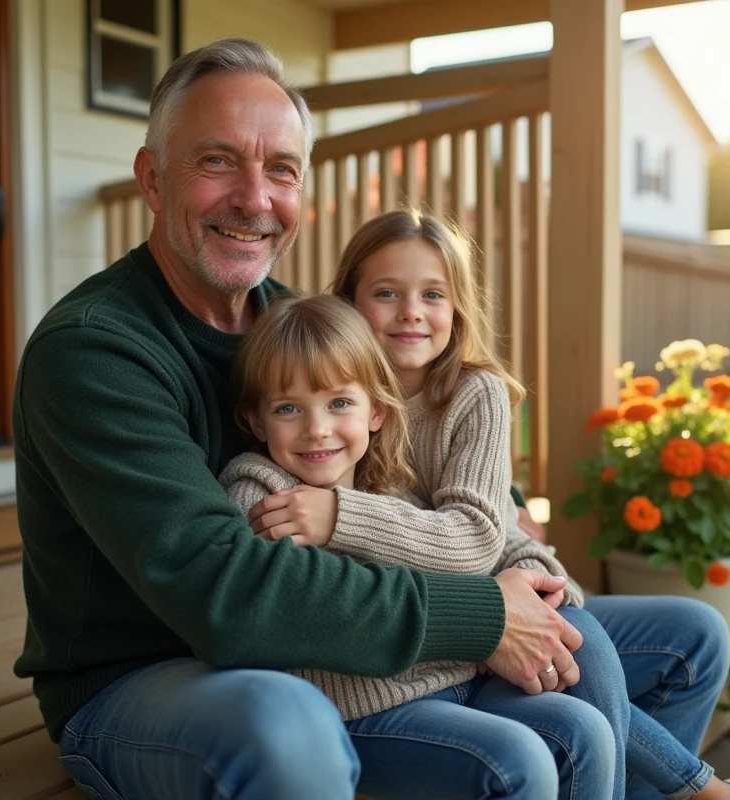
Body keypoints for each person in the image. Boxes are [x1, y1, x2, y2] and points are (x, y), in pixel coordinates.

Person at [13, 38, 582, 800]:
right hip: (148, 675)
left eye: (281, 169)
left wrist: (513, 546)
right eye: (217, 161)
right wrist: (481, 615)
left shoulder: (292, 321)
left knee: (677, 648)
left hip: (322, 643)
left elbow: (402, 467)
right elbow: (226, 594)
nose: (255, 199)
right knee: (290, 728)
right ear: (152, 179)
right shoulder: (95, 352)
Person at [220, 292, 609, 799]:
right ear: (255, 421)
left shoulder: (385, 486)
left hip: (450, 682)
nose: (317, 430)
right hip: (359, 711)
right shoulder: (260, 498)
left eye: (339, 403)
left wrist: (526, 578)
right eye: (289, 408)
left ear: (376, 412)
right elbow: (284, 614)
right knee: (518, 760)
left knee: (584, 730)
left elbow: (466, 547)